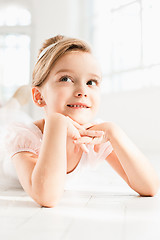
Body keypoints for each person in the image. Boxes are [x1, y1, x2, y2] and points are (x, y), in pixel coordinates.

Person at [3, 35, 160, 208]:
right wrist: (56, 122)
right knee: (6, 115)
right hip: (4, 137)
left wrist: (114, 132)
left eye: (91, 82)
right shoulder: (23, 137)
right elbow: (47, 197)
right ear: (39, 96)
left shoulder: (94, 135)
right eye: (66, 79)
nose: (82, 91)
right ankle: (12, 104)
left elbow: (150, 187)